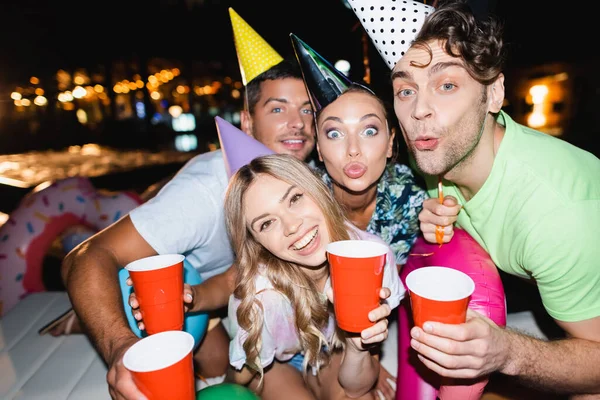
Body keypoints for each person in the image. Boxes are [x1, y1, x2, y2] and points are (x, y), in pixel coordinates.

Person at [60, 9, 316, 400]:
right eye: (278, 109)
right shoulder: (201, 194)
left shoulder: (313, 172)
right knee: (209, 362)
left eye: (307, 110)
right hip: (189, 297)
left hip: (246, 296)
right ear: (246, 122)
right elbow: (87, 255)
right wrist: (119, 345)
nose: (297, 123)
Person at [356, 0, 600, 397]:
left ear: (494, 93)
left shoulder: (556, 213)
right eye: (405, 89)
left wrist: (508, 353)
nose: (420, 110)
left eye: (447, 85)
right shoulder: (438, 159)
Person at [290, 33, 427, 399]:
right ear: (318, 147)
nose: (353, 150)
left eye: (369, 130)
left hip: (374, 333)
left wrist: (443, 225)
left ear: (392, 142)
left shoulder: (414, 196)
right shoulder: (299, 201)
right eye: (335, 133)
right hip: (304, 333)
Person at [222, 153, 404, 399]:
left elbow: (357, 388)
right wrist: (222, 388)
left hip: (332, 350)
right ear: (257, 243)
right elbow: (240, 375)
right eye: (266, 223)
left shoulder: (372, 259)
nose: (292, 226)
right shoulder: (261, 296)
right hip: (275, 364)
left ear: (318, 190)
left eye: (295, 198)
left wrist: (359, 350)